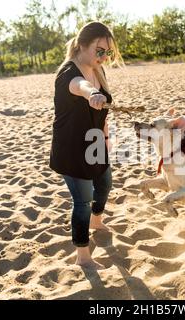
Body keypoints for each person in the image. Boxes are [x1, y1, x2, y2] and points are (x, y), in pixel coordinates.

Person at [50, 22, 123, 270]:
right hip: (71, 149)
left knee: (105, 182)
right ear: (82, 45)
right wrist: (92, 93)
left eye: (108, 52)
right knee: (82, 200)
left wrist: (105, 136)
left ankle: (96, 221)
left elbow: (102, 112)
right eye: (100, 50)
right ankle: (83, 256)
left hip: (94, 142)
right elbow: (81, 87)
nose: (104, 57)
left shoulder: (97, 70)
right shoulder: (68, 73)